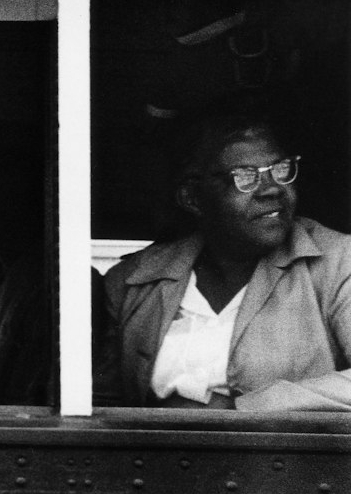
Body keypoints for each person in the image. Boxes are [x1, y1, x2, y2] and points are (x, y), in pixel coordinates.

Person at [97, 113, 351, 410]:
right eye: (244, 175)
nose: (273, 188)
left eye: (281, 169)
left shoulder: (338, 262)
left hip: (278, 457)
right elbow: (100, 404)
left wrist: (249, 410)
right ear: (193, 198)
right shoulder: (133, 281)